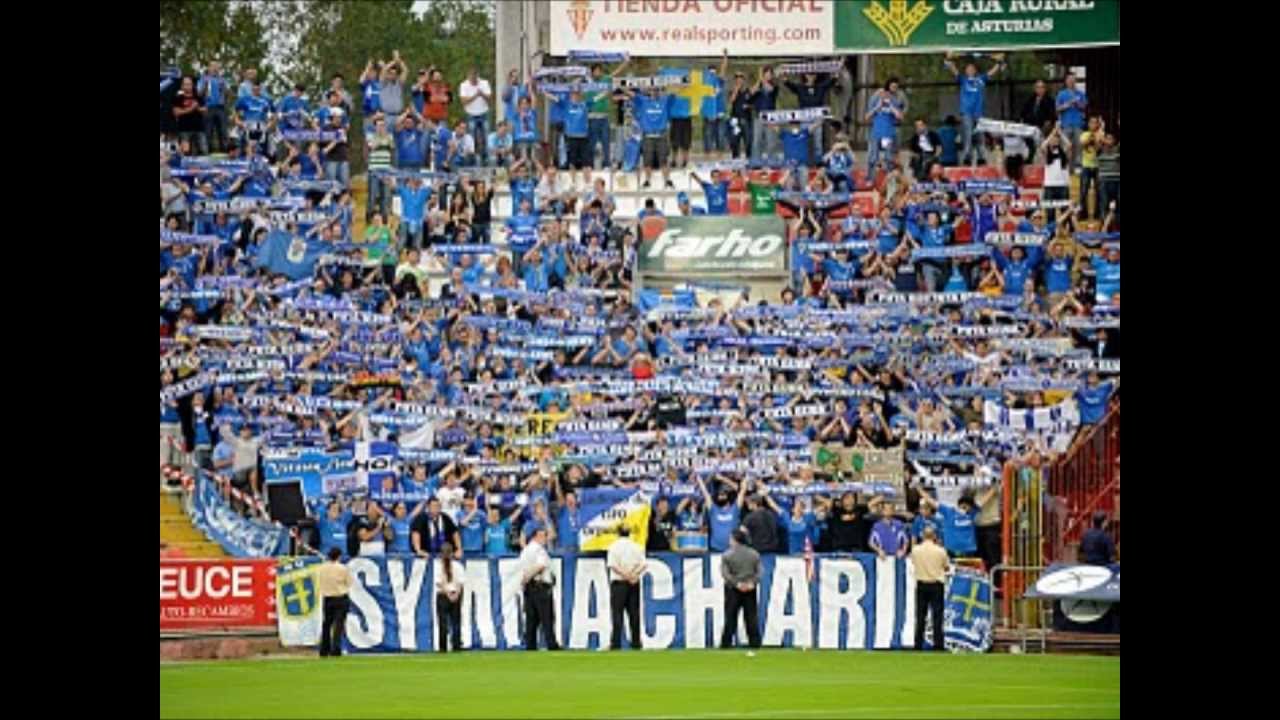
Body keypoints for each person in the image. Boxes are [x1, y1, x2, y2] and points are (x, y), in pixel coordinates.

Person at [942, 52, 1006, 167]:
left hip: (978, 113)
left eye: (972, 69)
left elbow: (993, 71)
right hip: (966, 112)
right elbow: (952, 67)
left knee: (980, 137)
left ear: (975, 70)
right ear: (966, 71)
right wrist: (949, 58)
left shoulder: (981, 79)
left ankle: (981, 159)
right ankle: (967, 158)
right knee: (968, 136)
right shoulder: (963, 79)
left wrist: (999, 61)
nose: (970, 70)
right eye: (968, 69)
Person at [518, 524, 561, 650]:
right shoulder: (539, 550)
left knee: (531, 619)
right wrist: (529, 576)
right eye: (543, 535)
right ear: (536, 536)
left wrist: (525, 579)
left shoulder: (525, 550)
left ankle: (530, 645)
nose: (545, 538)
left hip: (529, 587)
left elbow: (522, 568)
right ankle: (551, 644)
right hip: (540, 586)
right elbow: (541, 565)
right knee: (547, 617)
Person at [720, 529, 762, 651]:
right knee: (751, 618)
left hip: (733, 589)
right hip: (750, 589)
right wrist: (752, 583)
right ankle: (755, 644)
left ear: (734, 540)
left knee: (730, 617)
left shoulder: (727, 555)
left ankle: (726, 644)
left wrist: (736, 583)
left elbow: (725, 573)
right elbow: (759, 572)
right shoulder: (754, 554)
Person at [606, 525, 645, 650]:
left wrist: (625, 575)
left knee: (617, 614)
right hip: (633, 582)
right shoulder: (636, 546)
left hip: (619, 583)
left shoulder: (614, 547)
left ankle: (616, 643)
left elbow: (613, 565)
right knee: (634, 614)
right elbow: (643, 564)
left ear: (618, 533)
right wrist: (633, 574)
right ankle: (636, 642)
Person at [909, 526, 948, 651]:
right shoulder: (940, 551)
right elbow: (946, 566)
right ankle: (938, 644)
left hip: (921, 583)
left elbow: (913, 562)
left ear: (922, 535)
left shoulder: (916, 550)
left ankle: (918, 644)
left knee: (920, 616)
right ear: (934, 536)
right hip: (936, 584)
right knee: (937, 616)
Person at [865, 77, 906, 183]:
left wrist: (891, 106)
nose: (894, 89)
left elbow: (900, 117)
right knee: (873, 157)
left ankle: (889, 180)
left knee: (888, 157)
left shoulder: (895, 100)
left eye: (896, 87)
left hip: (888, 133)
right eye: (892, 87)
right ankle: (870, 179)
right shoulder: (875, 99)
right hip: (876, 132)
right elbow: (867, 117)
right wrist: (878, 106)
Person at [317, 547, 353, 657]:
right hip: (340, 597)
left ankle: (324, 649)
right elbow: (349, 582)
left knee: (326, 624)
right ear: (339, 556)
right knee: (338, 625)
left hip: (327, 598)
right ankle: (335, 649)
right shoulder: (342, 568)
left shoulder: (321, 568)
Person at [459, 67, 492, 166]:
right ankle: (472, 158)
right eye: (471, 78)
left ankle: (486, 157)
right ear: (468, 77)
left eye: (475, 78)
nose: (473, 80)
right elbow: (463, 101)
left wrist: (482, 94)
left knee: (486, 135)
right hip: (471, 113)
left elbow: (490, 98)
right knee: (472, 136)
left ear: (478, 76)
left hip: (483, 112)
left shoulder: (484, 83)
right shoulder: (464, 85)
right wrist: (476, 95)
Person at [435, 540, 465, 652]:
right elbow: (460, 583)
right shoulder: (458, 566)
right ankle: (456, 645)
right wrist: (455, 593)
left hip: (443, 595)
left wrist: (447, 593)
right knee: (456, 621)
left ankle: (443, 647)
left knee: (443, 623)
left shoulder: (439, 566)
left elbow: (439, 583)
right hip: (455, 595)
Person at [1055, 73, 1088, 172]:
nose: (1071, 81)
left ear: (1075, 81)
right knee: (1065, 147)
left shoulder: (1080, 93)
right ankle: (1066, 167)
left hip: (1078, 123)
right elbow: (1057, 109)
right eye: (1069, 79)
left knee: (1079, 146)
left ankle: (1078, 167)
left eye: (1073, 80)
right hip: (1066, 124)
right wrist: (1067, 105)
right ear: (1066, 81)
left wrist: (1077, 103)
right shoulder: (1061, 94)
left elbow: (1084, 107)